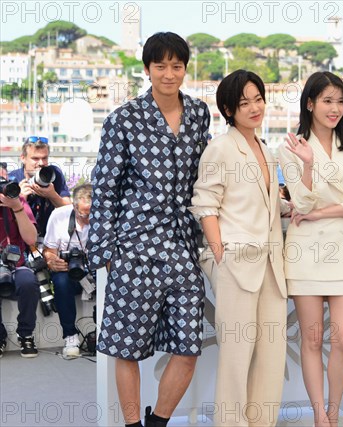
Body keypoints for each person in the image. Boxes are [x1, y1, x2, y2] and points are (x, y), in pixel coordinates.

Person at [87, 32, 210, 427]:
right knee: (127, 348)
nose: (169, 74)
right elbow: (105, 187)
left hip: (182, 245)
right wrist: (104, 252)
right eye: (161, 66)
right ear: (147, 69)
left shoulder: (198, 114)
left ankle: (158, 421)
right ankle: (131, 424)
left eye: (177, 66)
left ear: (185, 69)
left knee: (189, 346)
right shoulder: (123, 119)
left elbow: (206, 176)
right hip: (134, 246)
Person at [190, 69, 288, 427]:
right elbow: (205, 204)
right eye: (244, 102)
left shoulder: (265, 148)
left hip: (271, 268)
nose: (254, 107)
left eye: (258, 99)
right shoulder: (220, 147)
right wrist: (221, 254)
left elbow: (264, 203)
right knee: (235, 359)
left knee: (271, 358)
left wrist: (286, 207)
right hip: (236, 266)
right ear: (229, 109)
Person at [278, 72, 343, 427]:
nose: (335, 108)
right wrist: (307, 164)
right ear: (310, 103)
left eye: (340, 101)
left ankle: (335, 409)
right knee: (313, 339)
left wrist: (320, 212)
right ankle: (321, 415)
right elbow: (299, 201)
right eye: (327, 101)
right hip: (305, 252)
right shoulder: (289, 146)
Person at [43, 183, 92, 358]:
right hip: (68, 273)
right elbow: (48, 251)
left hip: (96, 271)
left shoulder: (103, 218)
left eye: (91, 214)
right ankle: (70, 336)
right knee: (61, 281)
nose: (88, 219)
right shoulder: (59, 216)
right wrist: (52, 261)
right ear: (73, 206)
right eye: (83, 214)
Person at [0, 161, 40, 358]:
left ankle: (26, 334)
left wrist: (16, 208)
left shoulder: (18, 202)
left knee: (28, 283)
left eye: (4, 181)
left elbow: (31, 239)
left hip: (16, 264)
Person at [9, 136, 71, 239]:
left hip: (49, 238)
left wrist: (52, 195)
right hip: (21, 240)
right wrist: (20, 200)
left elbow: (69, 210)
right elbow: (6, 221)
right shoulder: (13, 179)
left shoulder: (53, 175)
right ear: (23, 158)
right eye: (35, 158)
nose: (41, 163)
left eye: (44, 158)